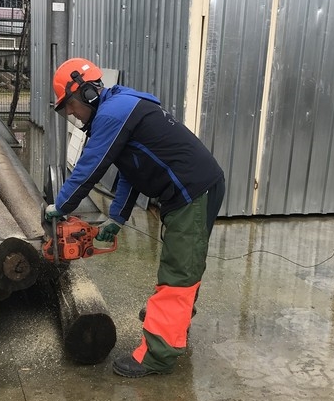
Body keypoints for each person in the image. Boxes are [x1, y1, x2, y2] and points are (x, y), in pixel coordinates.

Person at [45, 57, 226, 378]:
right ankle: (175, 320)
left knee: (179, 270)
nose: (71, 113)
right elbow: (132, 171)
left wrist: (61, 206)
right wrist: (116, 219)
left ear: (87, 93)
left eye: (70, 104)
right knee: (186, 261)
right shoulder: (120, 107)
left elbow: (90, 166)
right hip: (193, 188)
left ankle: (158, 354)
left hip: (192, 190)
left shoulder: (112, 114)